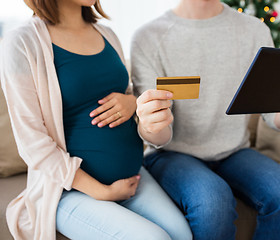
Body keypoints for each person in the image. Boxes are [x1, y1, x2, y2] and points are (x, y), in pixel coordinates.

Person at [131, 0, 280, 240]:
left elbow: (274, 118)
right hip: (172, 154)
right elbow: (160, 139)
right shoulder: (148, 37)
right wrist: (150, 125)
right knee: (212, 202)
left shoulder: (254, 30)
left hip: (234, 151)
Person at [0, 0, 192, 239]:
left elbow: (127, 92)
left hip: (132, 176)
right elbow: (32, 143)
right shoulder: (21, 42)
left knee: (183, 235)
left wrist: (132, 101)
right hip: (68, 192)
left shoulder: (107, 34)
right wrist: (101, 192)